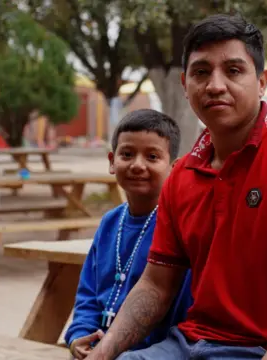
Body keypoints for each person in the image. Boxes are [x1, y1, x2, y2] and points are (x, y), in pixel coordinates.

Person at [86, 13, 267, 360]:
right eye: (201, 72)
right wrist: (104, 353)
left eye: (234, 71)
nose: (215, 85)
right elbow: (156, 284)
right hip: (190, 344)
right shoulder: (181, 175)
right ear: (185, 83)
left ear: (262, 81)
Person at [65, 109, 193, 359]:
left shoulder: (179, 226)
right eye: (127, 154)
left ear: (174, 167)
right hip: (98, 345)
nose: (137, 165)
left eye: (152, 156)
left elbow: (175, 307)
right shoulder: (110, 222)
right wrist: (78, 336)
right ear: (112, 161)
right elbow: (89, 294)